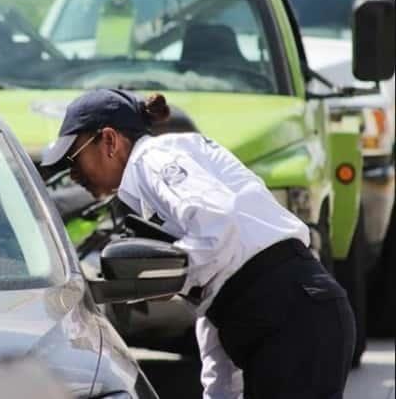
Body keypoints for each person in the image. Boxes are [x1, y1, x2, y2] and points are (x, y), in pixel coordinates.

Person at [41, 88, 356, 399]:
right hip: (295, 313)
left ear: (109, 141)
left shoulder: (152, 160)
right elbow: (218, 289)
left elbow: (218, 222)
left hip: (292, 317)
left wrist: (170, 272)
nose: (73, 174)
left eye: (74, 158)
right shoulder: (161, 170)